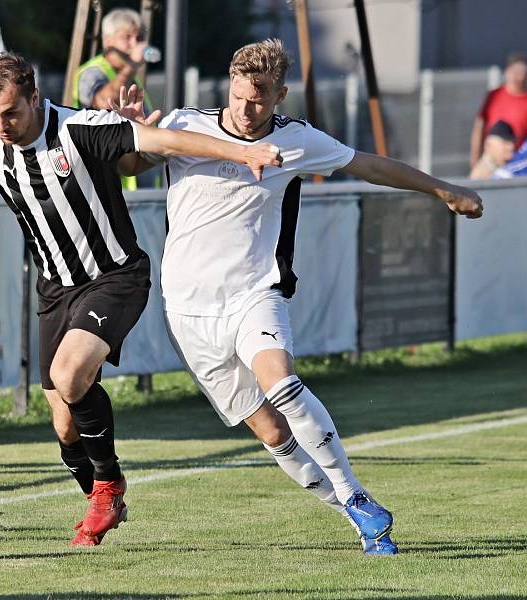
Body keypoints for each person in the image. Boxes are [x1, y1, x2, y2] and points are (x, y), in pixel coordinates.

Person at [0, 52, 282, 547]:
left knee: (70, 375)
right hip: (55, 290)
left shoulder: (82, 129)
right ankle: (102, 497)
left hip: (116, 277)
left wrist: (244, 152)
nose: (1, 124)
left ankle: (109, 484)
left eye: (11, 113)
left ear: (34, 98)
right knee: (65, 425)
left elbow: (167, 141)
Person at [115, 39, 483, 555]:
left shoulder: (298, 140)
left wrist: (442, 189)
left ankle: (353, 492)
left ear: (280, 95)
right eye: (241, 95)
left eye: (260, 98)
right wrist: (133, 136)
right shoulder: (185, 124)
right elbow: (131, 167)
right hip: (187, 311)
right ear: (230, 85)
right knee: (271, 433)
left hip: (253, 293)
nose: (247, 108)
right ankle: (358, 516)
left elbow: (369, 166)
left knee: (282, 381)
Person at [72, 7, 158, 190]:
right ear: (108, 41)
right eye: (127, 37)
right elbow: (102, 104)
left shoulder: (130, 78)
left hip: (140, 194)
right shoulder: (92, 72)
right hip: (108, 190)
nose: (134, 44)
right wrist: (132, 65)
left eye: (139, 38)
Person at [470, 53, 527, 169]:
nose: (520, 77)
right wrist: (475, 159)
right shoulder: (494, 95)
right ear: (508, 72)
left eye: (524, 73)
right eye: (517, 73)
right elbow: (480, 126)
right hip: (491, 160)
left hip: (520, 163)